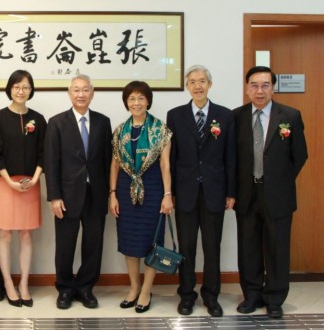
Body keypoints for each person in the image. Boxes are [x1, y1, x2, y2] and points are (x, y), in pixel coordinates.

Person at [234, 66, 308, 318]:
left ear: (273, 88)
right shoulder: (237, 117)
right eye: (254, 85)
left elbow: (299, 156)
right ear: (246, 88)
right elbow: (232, 158)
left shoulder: (290, 116)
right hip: (246, 193)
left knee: (277, 247)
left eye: (265, 85)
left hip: (278, 194)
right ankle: (252, 295)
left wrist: (278, 179)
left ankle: (275, 298)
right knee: (248, 246)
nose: (259, 90)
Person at [166, 66, 236, 317]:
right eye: (193, 82)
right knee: (186, 248)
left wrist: (230, 191)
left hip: (215, 192)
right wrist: (170, 191)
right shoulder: (175, 115)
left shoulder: (225, 116)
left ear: (210, 84)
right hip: (184, 192)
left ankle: (211, 295)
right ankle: (186, 295)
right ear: (187, 86)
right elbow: (171, 158)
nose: (198, 86)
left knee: (212, 247)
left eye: (202, 81)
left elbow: (231, 157)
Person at [44, 74, 112, 310]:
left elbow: (107, 161)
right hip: (66, 195)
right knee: (65, 244)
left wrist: (109, 193)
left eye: (85, 90)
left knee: (94, 244)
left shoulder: (104, 122)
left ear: (92, 94)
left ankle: (85, 287)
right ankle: (64, 288)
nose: (81, 94)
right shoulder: (57, 123)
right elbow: (51, 162)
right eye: (76, 90)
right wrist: (54, 196)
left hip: (96, 194)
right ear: (69, 93)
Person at [109, 81, 173, 314]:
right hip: (125, 191)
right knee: (129, 242)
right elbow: (114, 166)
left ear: (148, 101)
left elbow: (165, 165)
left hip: (154, 190)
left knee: (151, 243)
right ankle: (134, 287)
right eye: (132, 98)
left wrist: (167, 195)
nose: (136, 103)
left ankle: (146, 290)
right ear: (126, 102)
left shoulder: (160, 130)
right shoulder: (120, 131)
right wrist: (112, 194)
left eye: (141, 98)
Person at [0, 70, 47, 308]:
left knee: (26, 234)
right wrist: (8, 180)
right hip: (4, 183)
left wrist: (35, 177)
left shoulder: (39, 119)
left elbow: (44, 152)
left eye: (26, 87)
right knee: (6, 233)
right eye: (17, 87)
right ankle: (9, 284)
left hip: (31, 183)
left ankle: (24, 284)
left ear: (31, 90)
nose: (21, 91)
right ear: (9, 89)